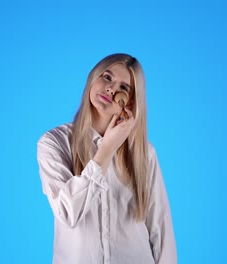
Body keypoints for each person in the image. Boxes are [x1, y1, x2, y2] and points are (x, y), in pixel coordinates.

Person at [37, 53, 177, 264]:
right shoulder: (54, 143)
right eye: (107, 77)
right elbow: (68, 213)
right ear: (93, 78)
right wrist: (107, 148)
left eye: (124, 88)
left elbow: (161, 229)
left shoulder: (144, 153)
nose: (112, 89)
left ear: (130, 102)